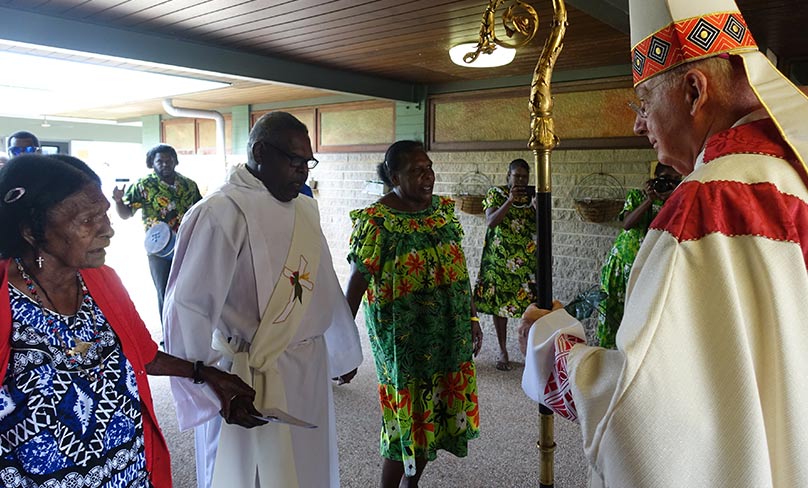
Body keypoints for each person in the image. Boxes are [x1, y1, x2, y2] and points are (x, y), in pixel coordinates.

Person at [519, 0, 808, 486]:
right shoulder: (791, 176)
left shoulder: (710, 200)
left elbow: (641, 417)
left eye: (645, 102)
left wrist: (552, 345)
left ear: (694, 92)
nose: (638, 124)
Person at [0, 155, 258, 488]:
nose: (107, 229)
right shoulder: (6, 300)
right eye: (88, 219)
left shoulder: (102, 280)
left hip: (128, 471)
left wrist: (206, 373)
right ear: (32, 230)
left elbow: (143, 353)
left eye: (105, 213)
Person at [163, 111, 362, 488]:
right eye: (294, 160)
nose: (303, 171)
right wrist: (207, 382)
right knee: (249, 473)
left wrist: (340, 349)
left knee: (308, 464)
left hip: (307, 366)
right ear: (258, 152)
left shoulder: (304, 209)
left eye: (308, 162)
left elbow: (322, 282)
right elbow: (188, 306)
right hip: (246, 371)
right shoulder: (220, 212)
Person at [345, 140, 483, 488]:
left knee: (432, 416)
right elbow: (356, 284)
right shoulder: (376, 222)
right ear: (394, 176)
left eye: (429, 168)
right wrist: (344, 347)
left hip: (447, 336)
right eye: (416, 171)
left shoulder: (443, 212)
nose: (427, 177)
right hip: (403, 343)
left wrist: (472, 318)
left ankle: (413, 483)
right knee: (404, 420)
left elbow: (459, 268)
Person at [111, 144, 201, 320]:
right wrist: (118, 201)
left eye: (169, 160)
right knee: (164, 291)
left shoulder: (189, 185)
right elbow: (125, 214)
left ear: (176, 161)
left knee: (188, 289)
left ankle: (187, 328)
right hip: (159, 248)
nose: (165, 164)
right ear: (152, 163)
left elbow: (200, 212)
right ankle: (168, 335)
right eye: (160, 161)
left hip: (187, 245)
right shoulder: (143, 185)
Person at [596, 162, 680, 348]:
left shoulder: (678, 202)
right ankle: (608, 359)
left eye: (676, 180)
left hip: (648, 269)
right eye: (665, 179)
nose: (670, 184)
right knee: (612, 312)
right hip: (621, 264)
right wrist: (649, 200)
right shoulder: (637, 196)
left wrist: (672, 199)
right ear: (655, 179)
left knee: (638, 315)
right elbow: (627, 223)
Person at [473, 158, 537, 370]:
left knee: (529, 306)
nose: (520, 180)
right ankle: (502, 350)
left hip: (524, 260)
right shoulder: (496, 194)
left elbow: (540, 228)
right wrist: (509, 201)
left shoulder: (532, 197)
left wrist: (537, 209)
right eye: (516, 176)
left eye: (524, 177)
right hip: (499, 259)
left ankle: (528, 351)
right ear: (508, 176)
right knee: (499, 306)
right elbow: (491, 221)